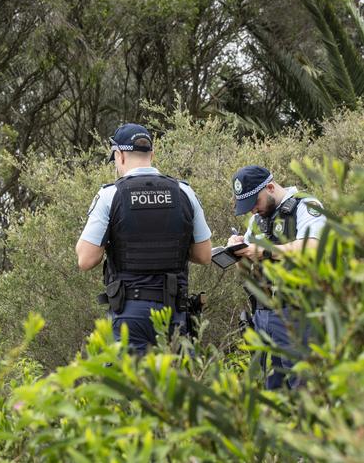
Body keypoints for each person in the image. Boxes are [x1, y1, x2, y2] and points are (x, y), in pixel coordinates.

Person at [75, 123, 212, 355]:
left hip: (130, 313)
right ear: (152, 154)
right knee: (174, 389)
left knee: (130, 388)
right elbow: (204, 255)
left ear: (119, 155)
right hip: (174, 311)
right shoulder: (184, 193)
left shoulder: (110, 195)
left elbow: (85, 260)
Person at [227, 165, 326, 389]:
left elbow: (314, 248)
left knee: (304, 391)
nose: (253, 210)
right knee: (272, 394)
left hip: (298, 315)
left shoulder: (306, 206)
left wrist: (265, 251)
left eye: (255, 202)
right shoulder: (258, 220)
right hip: (262, 315)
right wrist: (238, 251)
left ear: (270, 187)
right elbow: (245, 271)